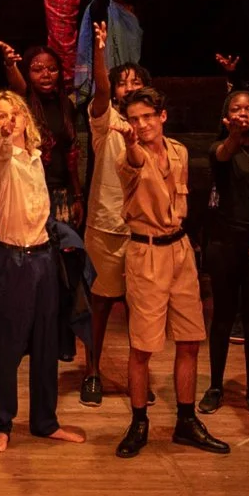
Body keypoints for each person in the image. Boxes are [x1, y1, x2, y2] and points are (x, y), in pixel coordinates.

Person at [111, 88, 230, 457]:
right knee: (143, 345)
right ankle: (139, 421)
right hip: (146, 252)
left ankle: (185, 420)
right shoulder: (129, 155)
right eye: (133, 119)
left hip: (179, 249)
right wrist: (131, 143)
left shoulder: (178, 151)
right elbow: (133, 161)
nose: (141, 125)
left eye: (147, 116)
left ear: (162, 116)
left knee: (191, 338)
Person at [0, 91, 87, 452]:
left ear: (26, 118)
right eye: (1, 116)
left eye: (15, 114)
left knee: (45, 344)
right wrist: (4, 138)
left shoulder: (36, 158)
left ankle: (44, 421)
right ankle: (2, 423)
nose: (9, 121)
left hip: (42, 258)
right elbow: (2, 150)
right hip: (13, 260)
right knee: (7, 347)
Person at [79, 22, 146, 405]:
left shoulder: (150, 125)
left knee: (140, 308)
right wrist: (102, 53)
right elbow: (101, 89)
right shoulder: (107, 121)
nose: (129, 87)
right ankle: (92, 372)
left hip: (143, 229)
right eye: (125, 82)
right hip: (106, 225)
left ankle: (138, 377)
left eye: (136, 81)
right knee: (100, 304)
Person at [202, 89, 249, 419]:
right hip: (226, 243)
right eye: (236, 108)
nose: (243, 113)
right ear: (226, 114)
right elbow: (224, 154)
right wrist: (233, 135)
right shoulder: (221, 147)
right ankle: (215, 386)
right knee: (223, 317)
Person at [0, 43, 79, 225]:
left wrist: (77, 194)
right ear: (27, 73)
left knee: (64, 248)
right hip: (29, 190)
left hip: (61, 191)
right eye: (37, 70)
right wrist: (11, 65)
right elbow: (19, 87)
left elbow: (70, 151)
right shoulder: (22, 104)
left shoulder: (65, 105)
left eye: (52, 69)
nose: (46, 75)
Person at [74, 0, 142, 101]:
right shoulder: (99, 3)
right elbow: (98, 13)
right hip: (104, 75)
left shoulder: (133, 10)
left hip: (129, 78)